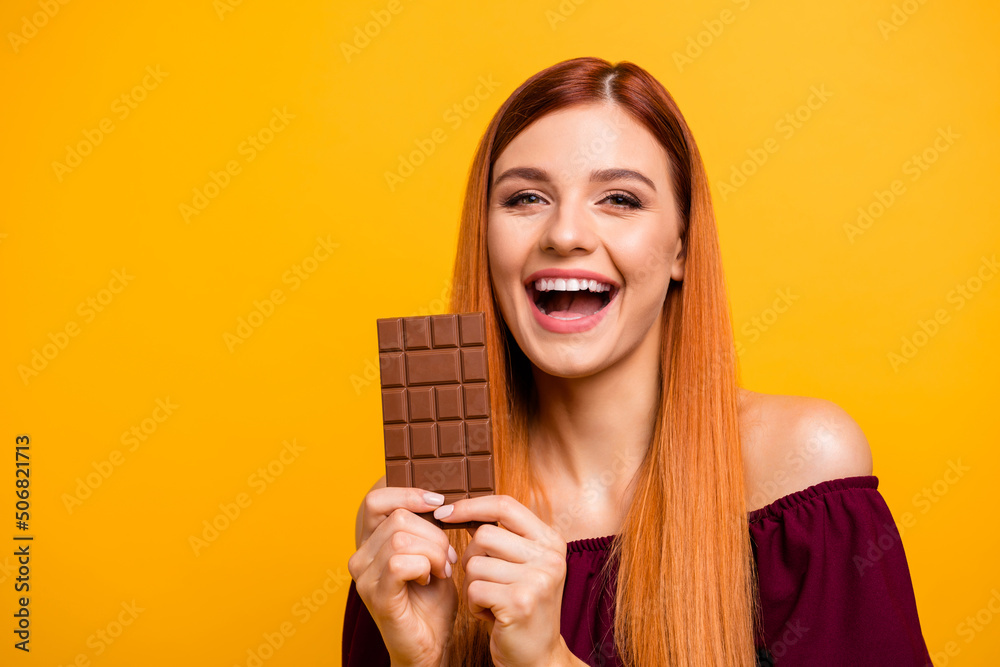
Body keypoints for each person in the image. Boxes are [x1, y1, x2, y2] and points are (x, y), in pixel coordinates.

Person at [344, 57, 932, 667]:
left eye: (619, 199)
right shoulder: (418, 522)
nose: (565, 233)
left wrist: (549, 661)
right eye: (525, 197)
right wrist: (427, 661)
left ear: (681, 245)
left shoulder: (803, 469)